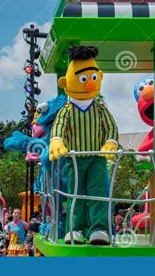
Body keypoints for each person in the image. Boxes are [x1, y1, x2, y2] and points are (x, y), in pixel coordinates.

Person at [49, 45, 118, 245]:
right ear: (66, 83)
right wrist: (57, 140)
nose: (89, 84)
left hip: (96, 158)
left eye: (93, 78)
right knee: (75, 194)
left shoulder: (100, 109)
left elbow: (111, 128)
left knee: (98, 193)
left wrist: (111, 142)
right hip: (75, 160)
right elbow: (59, 127)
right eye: (83, 79)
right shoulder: (67, 110)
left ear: (100, 77)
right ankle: (76, 229)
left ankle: (99, 229)